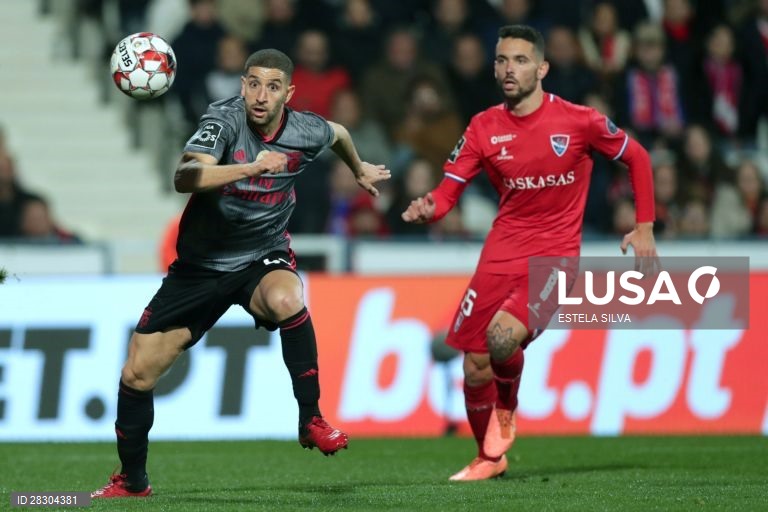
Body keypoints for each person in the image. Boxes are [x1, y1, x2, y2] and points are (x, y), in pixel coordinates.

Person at [92, 48, 391, 498]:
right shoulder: (223, 121)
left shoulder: (305, 129)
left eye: (272, 87)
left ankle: (310, 419)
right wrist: (251, 166)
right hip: (200, 268)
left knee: (289, 299)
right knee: (137, 375)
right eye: (253, 83)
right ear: (242, 85)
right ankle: (132, 481)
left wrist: (359, 166)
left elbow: (339, 133)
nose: (260, 95)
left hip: (261, 255)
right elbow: (185, 177)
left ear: (288, 93)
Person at [401, 25, 657, 481]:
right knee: (475, 364)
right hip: (500, 255)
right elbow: (447, 193)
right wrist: (428, 208)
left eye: (519, 60)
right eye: (501, 60)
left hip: (554, 260)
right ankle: (489, 458)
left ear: (542, 68)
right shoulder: (483, 126)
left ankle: (508, 409)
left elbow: (637, 156)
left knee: (501, 339)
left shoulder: (579, 121)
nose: (508, 69)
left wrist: (644, 227)